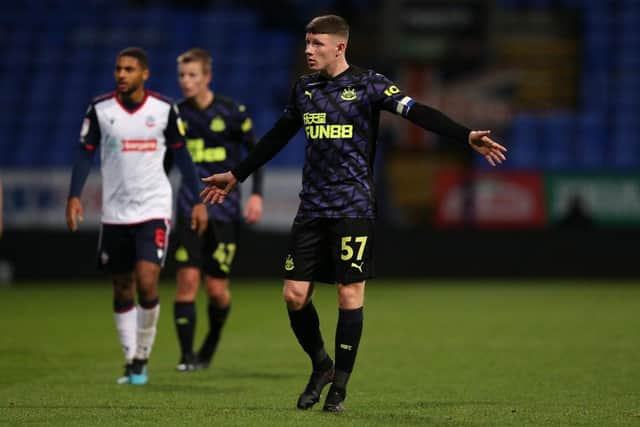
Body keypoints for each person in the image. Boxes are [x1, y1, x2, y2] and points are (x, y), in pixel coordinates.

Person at [200, 15, 507, 412]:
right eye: (306, 43)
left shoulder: (370, 84)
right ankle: (321, 364)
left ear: (339, 46)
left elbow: (418, 113)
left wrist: (465, 135)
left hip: (353, 206)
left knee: (349, 294)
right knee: (294, 296)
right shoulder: (304, 89)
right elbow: (277, 135)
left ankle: (339, 390)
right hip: (312, 206)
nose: (308, 51)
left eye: (316, 44)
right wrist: (237, 175)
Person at [65, 47, 207, 386]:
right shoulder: (101, 110)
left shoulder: (162, 110)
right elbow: (85, 155)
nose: (121, 74)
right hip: (115, 212)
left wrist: (199, 200)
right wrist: (74, 195)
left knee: (146, 280)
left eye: (129, 69)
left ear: (144, 74)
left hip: (153, 208)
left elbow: (182, 156)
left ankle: (143, 354)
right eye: (118, 69)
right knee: (122, 286)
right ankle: (130, 358)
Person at [168, 48, 264, 372]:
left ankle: (210, 342)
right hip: (188, 211)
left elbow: (256, 156)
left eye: (192, 75)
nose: (186, 81)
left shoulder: (232, 112)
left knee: (217, 290)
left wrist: (256, 196)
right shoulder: (175, 116)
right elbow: (166, 166)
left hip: (224, 212)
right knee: (187, 282)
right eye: (182, 75)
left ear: (207, 77)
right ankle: (186, 357)